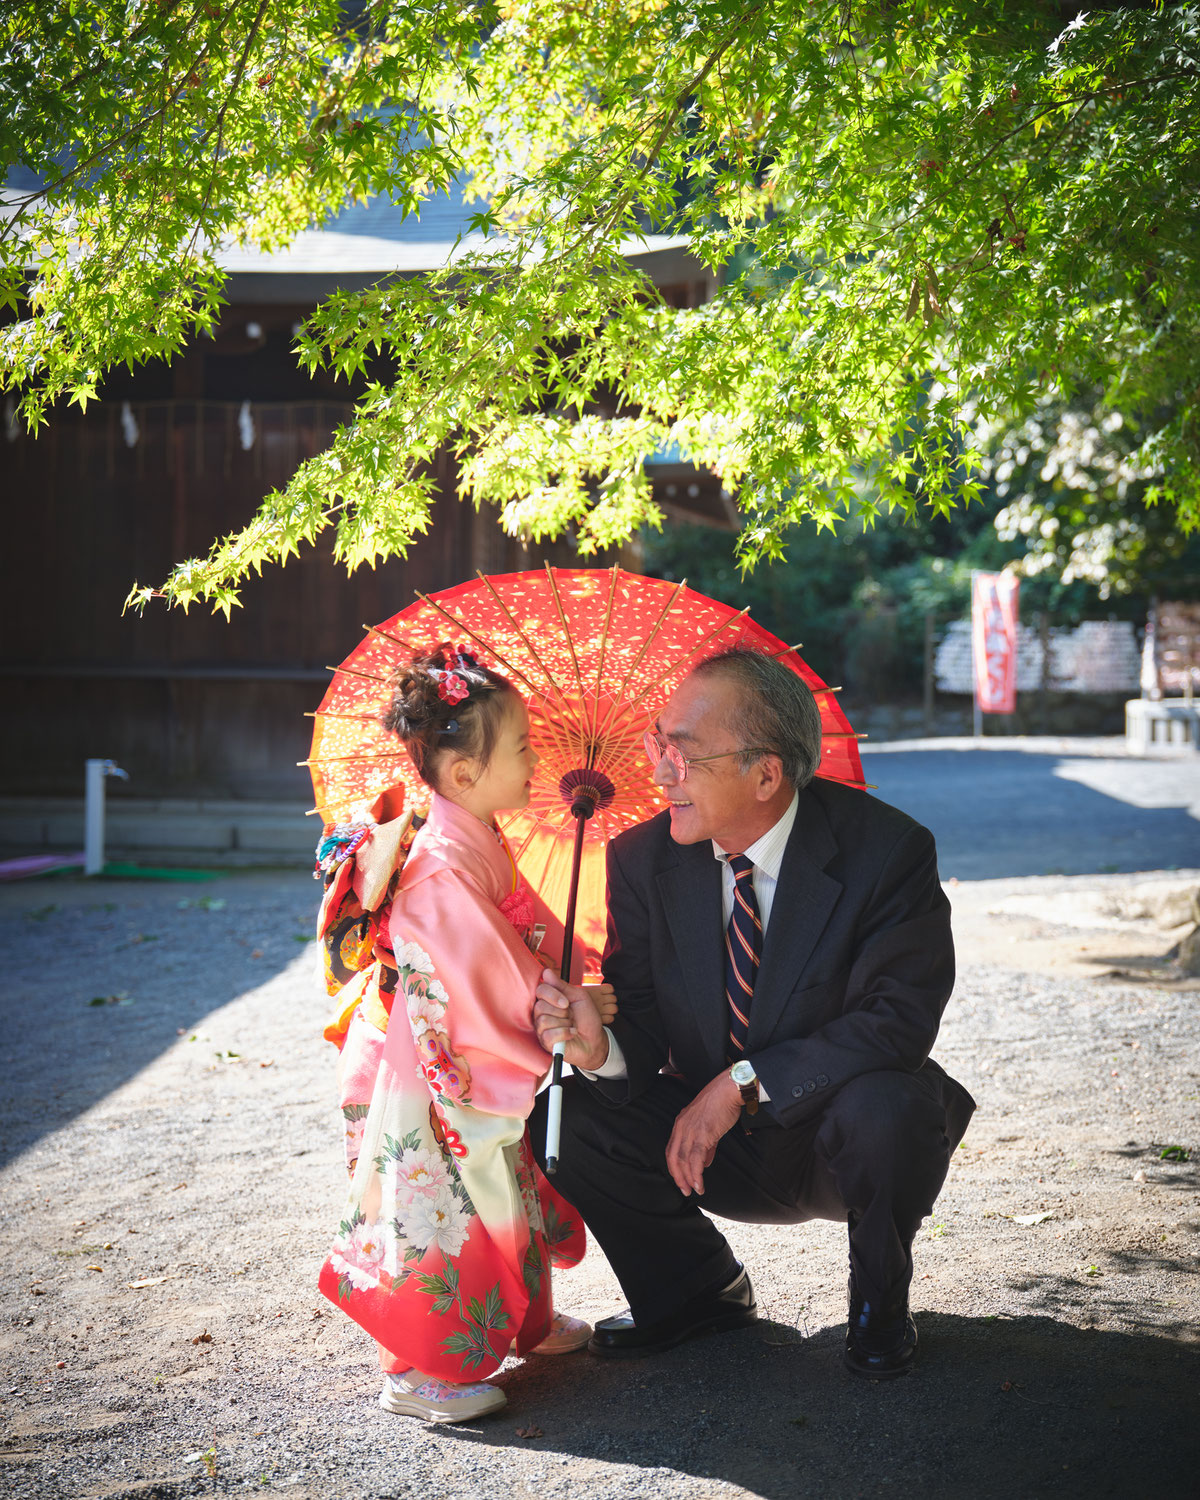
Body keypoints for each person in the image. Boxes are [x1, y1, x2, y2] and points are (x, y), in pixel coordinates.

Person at [532, 647, 975, 1379]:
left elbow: (896, 1022)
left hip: (837, 1131)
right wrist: (598, 1048)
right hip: (712, 1148)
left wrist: (740, 1082)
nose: (659, 770)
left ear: (767, 773)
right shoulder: (642, 860)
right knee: (570, 1112)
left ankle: (879, 1304)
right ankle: (696, 1293)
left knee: (891, 1103)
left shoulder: (887, 851)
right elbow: (639, 1020)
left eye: (684, 752)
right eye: (658, 742)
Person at [317, 644, 614, 1422]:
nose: (535, 758)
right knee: (437, 1208)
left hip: (443, 1053)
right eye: (520, 748)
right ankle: (414, 1369)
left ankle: (518, 1323)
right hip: (422, 1062)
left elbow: (518, 930)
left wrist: (567, 972)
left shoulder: (469, 832)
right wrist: (549, 999)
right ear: (461, 776)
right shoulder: (442, 863)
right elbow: (479, 974)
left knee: (501, 1190)